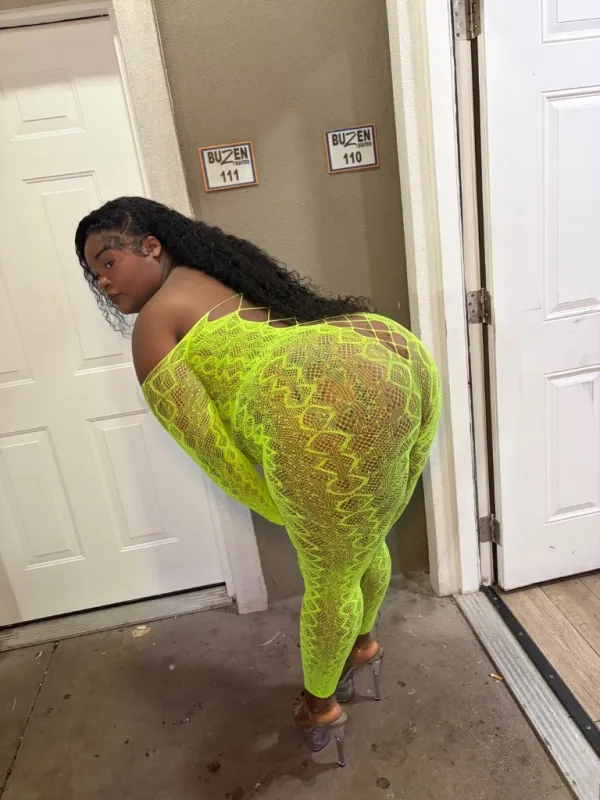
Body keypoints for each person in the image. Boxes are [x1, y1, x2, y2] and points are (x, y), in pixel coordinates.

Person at [75, 197, 441, 765]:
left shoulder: (153, 326)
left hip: (310, 408)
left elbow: (213, 451)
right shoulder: (225, 275)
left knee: (329, 578)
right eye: (93, 272)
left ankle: (320, 705)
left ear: (151, 246)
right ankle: (363, 645)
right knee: (366, 541)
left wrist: (277, 505)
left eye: (107, 262)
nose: (102, 281)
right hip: (391, 349)